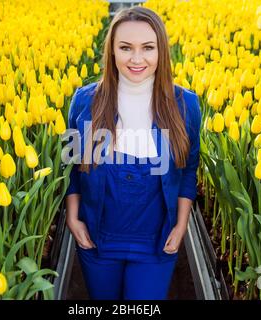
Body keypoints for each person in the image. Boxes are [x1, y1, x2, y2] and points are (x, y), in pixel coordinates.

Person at [64, 6, 201, 300]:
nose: (137, 59)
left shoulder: (185, 105)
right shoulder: (84, 101)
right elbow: (73, 166)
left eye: (148, 48)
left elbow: (189, 169)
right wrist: (73, 218)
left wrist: (181, 225)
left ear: (161, 51)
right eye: (125, 48)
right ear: (111, 51)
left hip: (157, 241)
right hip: (98, 240)